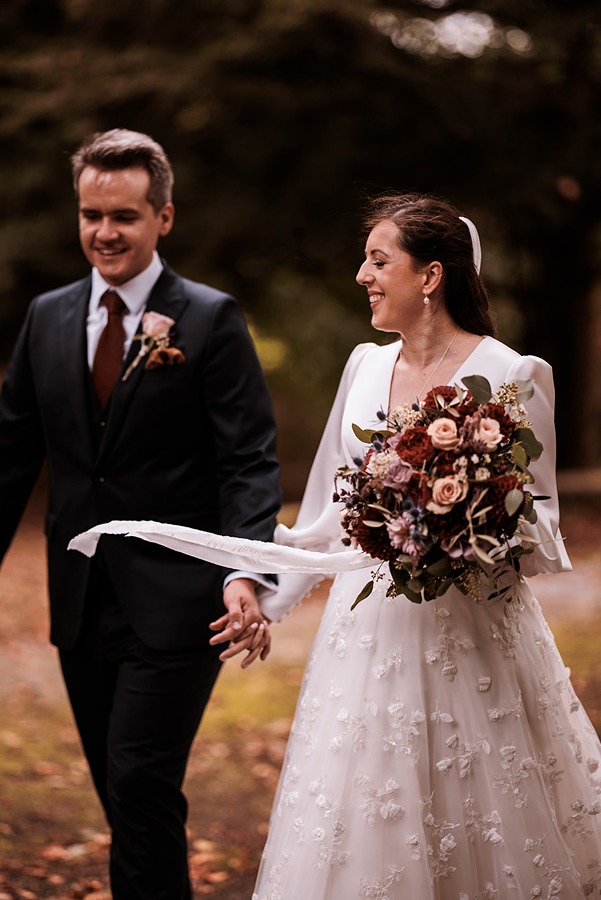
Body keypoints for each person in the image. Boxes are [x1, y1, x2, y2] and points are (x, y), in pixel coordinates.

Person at [71, 193, 601, 898]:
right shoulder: (362, 368)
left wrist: (461, 522)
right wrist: (257, 589)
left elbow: (540, 537)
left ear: (431, 276)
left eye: (379, 260)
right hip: (366, 639)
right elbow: (327, 519)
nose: (362, 275)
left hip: (473, 639)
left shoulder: (512, 374)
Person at [0, 128, 280, 899]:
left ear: (164, 216)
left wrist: (245, 572)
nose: (104, 232)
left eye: (123, 215)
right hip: (80, 602)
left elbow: (247, 459)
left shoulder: (210, 319)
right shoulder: (47, 317)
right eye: (90, 214)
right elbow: (10, 455)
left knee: (140, 782)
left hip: (180, 601)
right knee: (122, 795)